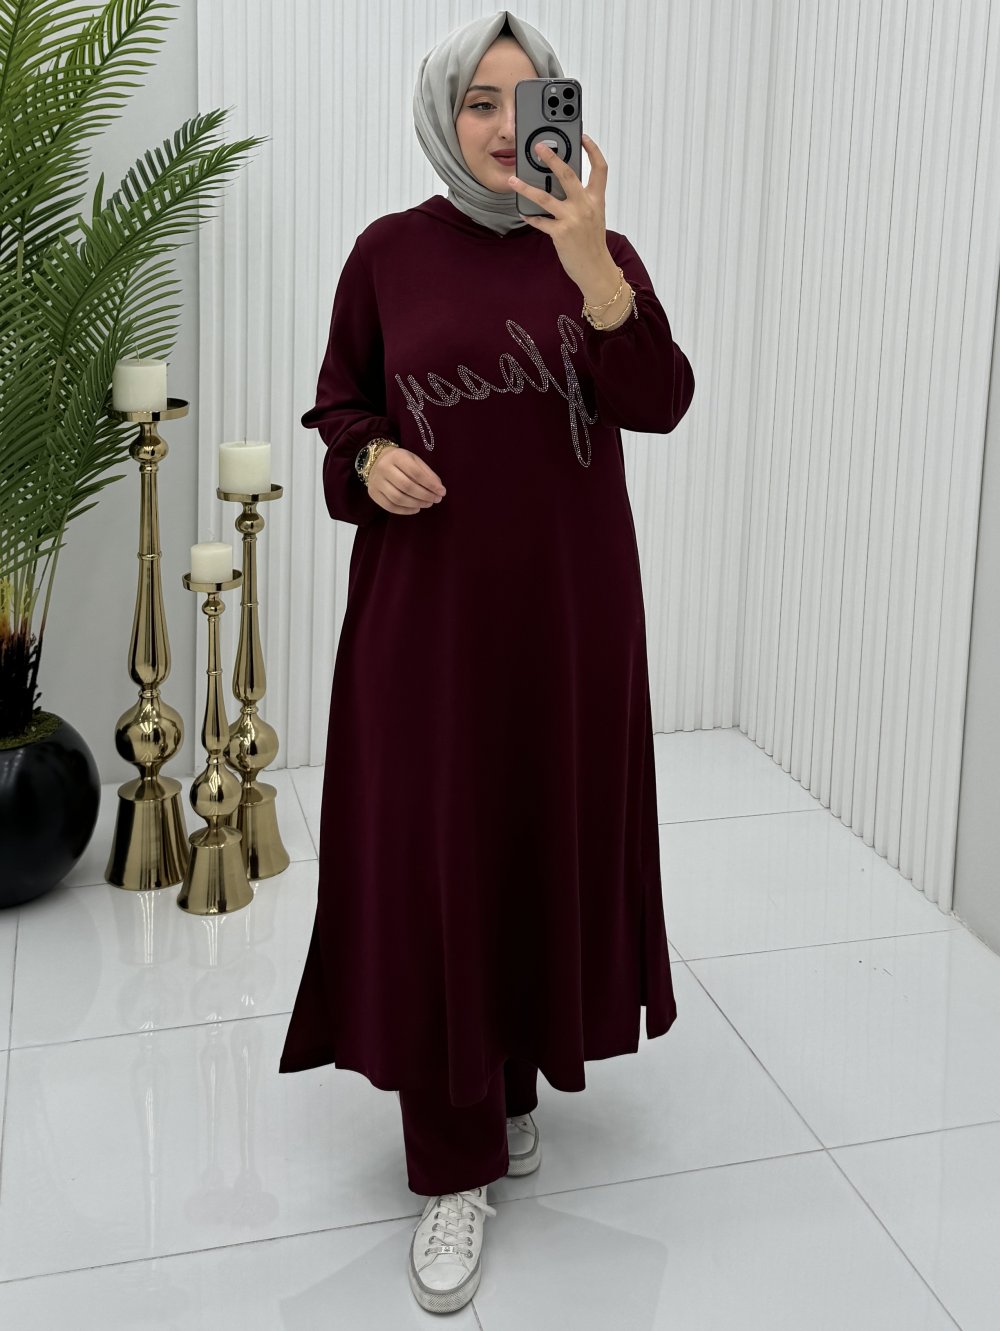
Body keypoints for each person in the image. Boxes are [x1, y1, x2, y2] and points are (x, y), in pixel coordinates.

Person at [278, 9, 695, 1316]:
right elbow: (341, 405)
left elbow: (660, 400)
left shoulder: (598, 251)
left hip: (570, 620)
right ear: (441, 114)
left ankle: (508, 1078)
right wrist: (366, 459)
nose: (509, 126)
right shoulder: (387, 255)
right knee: (437, 854)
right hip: (429, 623)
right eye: (480, 102)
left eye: (530, 99)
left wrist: (594, 268)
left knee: (531, 833)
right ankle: (449, 1168)